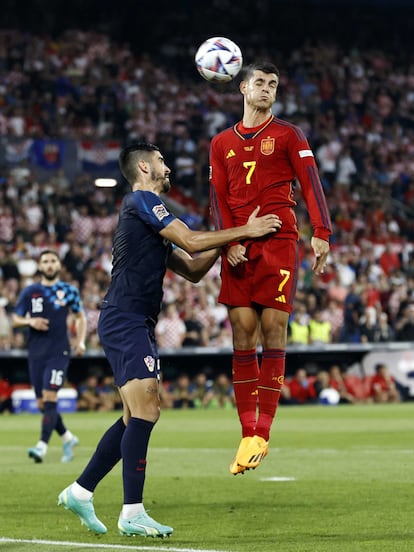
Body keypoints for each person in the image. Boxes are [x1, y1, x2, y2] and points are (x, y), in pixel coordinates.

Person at [58, 142, 281, 538]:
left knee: (133, 416)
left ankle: (80, 490)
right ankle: (132, 511)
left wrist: (226, 242)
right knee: (147, 412)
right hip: (124, 319)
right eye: (160, 160)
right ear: (144, 166)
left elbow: (194, 268)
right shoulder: (142, 200)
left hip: (135, 322)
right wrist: (245, 229)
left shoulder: (151, 220)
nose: (166, 165)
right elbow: (193, 241)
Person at [209, 61, 332, 475]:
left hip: (278, 241)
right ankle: (247, 432)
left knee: (273, 329)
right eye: (259, 82)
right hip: (239, 243)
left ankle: (263, 429)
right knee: (242, 332)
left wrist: (322, 231)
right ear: (242, 88)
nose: (266, 89)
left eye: (273, 84)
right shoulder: (220, 142)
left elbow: (311, 180)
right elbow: (218, 199)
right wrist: (230, 242)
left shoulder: (288, 134)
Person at [12, 249, 86, 462]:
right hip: (35, 353)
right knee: (44, 404)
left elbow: (81, 317)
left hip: (59, 351)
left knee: (50, 397)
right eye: (45, 261)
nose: (50, 264)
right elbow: (16, 319)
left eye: (53, 261)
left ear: (59, 265)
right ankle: (68, 437)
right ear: (40, 266)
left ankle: (41, 446)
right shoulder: (30, 291)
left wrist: (80, 341)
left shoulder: (68, 290)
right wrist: (30, 322)